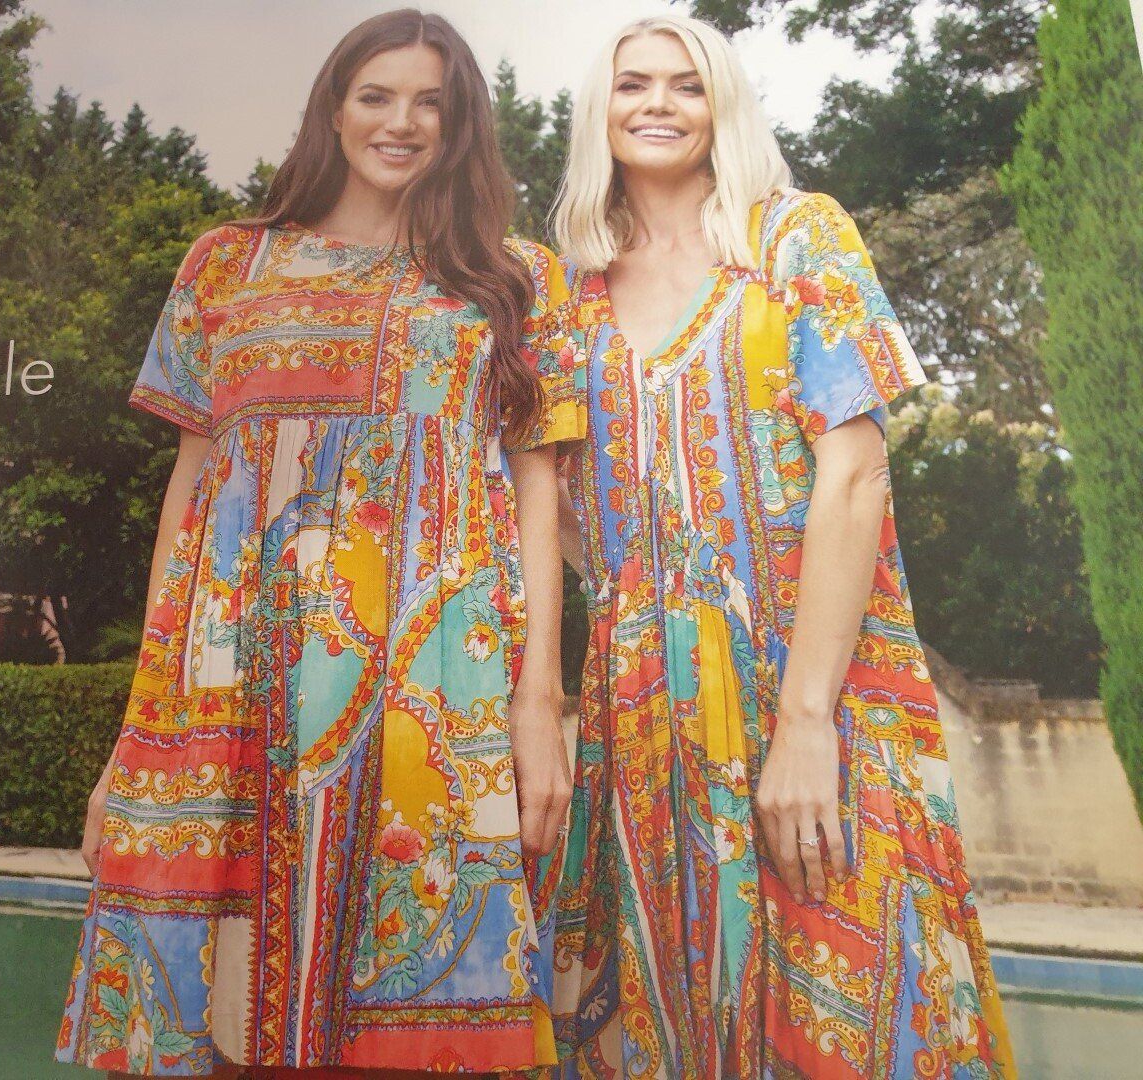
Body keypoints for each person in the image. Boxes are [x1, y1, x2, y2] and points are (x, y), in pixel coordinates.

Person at [55, 8, 580, 1077]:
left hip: (436, 684)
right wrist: (134, 731)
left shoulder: (515, 278)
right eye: (377, 96)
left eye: (431, 102)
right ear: (332, 109)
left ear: (462, 123)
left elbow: (538, 496)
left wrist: (540, 703)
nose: (403, 122)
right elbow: (192, 496)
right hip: (232, 677)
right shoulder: (225, 267)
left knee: (419, 1011)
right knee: (226, 1018)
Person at [546, 14, 1016, 1079]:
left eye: (686, 85)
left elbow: (857, 474)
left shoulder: (797, 237)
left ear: (723, 108)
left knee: (854, 997)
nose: (658, 104)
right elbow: (563, 507)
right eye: (633, 85)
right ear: (599, 111)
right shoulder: (570, 293)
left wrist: (805, 722)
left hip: (817, 690)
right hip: (645, 723)